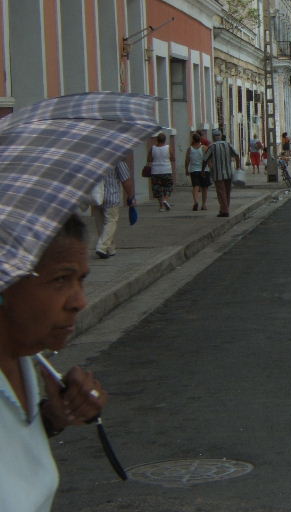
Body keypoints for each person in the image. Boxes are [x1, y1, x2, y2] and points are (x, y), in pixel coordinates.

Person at [0, 214, 108, 511]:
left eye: (81, 280)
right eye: (61, 279)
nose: (79, 301)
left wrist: (52, 418)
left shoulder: (24, 358)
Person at [90, 160, 135, 259]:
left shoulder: (94, 159)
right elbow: (125, 180)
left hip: (96, 196)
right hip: (111, 196)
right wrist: (131, 196)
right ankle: (102, 247)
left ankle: (110, 249)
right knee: (111, 221)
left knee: (100, 223)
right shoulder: (118, 160)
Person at [202, 128, 241, 218]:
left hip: (218, 174)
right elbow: (237, 155)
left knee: (221, 192)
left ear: (213, 137)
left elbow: (205, 159)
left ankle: (224, 210)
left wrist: (203, 170)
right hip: (228, 173)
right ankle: (224, 209)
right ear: (220, 136)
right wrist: (238, 167)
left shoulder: (212, 146)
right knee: (227, 192)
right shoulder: (228, 145)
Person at [147, 133, 175, 211]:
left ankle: (161, 206)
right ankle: (165, 200)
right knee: (168, 186)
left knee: (157, 189)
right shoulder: (168, 147)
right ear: (165, 140)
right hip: (166, 170)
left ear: (157, 139)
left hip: (155, 171)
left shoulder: (152, 148)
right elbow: (173, 158)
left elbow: (149, 159)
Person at [185, 132, 210, 211]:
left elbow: (187, 160)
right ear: (200, 139)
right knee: (204, 188)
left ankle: (196, 201)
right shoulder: (204, 148)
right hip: (204, 170)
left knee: (195, 187)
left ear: (193, 140)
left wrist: (186, 169)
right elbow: (208, 159)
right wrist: (211, 167)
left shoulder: (190, 149)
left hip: (194, 170)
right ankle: (204, 205)